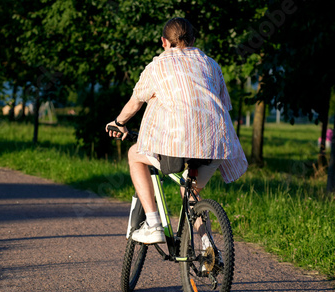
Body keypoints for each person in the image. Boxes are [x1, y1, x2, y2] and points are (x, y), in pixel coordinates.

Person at [106, 17, 247, 244]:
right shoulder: (211, 64)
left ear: (164, 42)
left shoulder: (157, 66)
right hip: (216, 144)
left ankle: (153, 225)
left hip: (176, 145)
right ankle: (206, 249)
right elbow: (222, 104)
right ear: (193, 40)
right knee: (190, 193)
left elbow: (135, 103)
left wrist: (118, 123)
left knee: (135, 155)